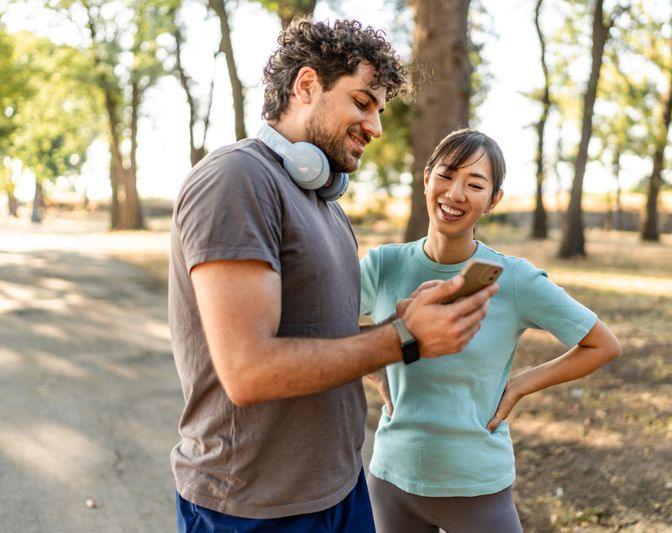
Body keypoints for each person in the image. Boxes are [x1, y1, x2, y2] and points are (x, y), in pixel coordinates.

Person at [168, 20, 498, 533]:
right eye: (363, 103)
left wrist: (409, 322)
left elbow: (325, 343)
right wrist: (402, 338)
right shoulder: (236, 179)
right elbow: (248, 370)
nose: (376, 127)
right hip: (253, 509)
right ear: (305, 86)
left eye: (380, 111)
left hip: (340, 490)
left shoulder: (326, 207)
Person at [360, 129, 622, 533]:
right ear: (426, 177)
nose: (456, 193)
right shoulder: (383, 266)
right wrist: (374, 367)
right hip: (391, 479)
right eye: (446, 175)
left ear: (493, 201)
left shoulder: (513, 279)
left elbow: (602, 344)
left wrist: (520, 384)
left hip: (476, 484)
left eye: (475, 184)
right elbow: (325, 325)